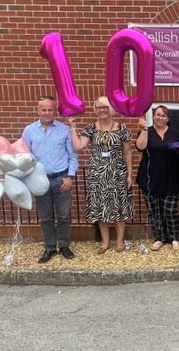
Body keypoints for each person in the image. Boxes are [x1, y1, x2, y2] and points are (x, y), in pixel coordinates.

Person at [67, 96, 134, 254]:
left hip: (118, 173)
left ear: (110, 108)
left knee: (119, 209)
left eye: (104, 107)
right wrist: (72, 127)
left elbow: (128, 153)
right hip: (97, 175)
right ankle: (105, 242)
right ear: (95, 110)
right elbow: (78, 146)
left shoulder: (121, 128)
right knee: (100, 210)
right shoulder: (91, 127)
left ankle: (119, 241)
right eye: (98, 107)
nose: (102, 110)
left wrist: (129, 175)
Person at [22, 96, 78, 263]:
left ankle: (64, 246)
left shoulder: (64, 130)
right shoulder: (29, 131)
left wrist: (70, 176)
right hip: (40, 180)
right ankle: (49, 247)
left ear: (55, 111)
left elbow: (73, 155)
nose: (47, 112)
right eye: (43, 109)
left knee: (64, 216)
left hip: (62, 179)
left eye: (50, 109)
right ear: (38, 110)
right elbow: (24, 156)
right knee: (46, 217)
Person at [135, 105, 179, 251]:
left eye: (163, 115)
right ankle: (159, 238)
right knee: (154, 211)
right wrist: (143, 130)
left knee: (170, 210)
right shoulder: (147, 131)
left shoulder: (174, 132)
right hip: (150, 178)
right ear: (153, 116)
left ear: (168, 118)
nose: (160, 117)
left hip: (170, 177)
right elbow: (140, 147)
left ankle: (175, 237)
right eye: (158, 114)